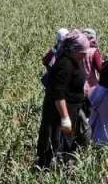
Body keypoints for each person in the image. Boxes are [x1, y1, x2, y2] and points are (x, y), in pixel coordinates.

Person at [35, 31, 90, 169]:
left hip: (71, 110)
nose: (85, 54)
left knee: (66, 144)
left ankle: (59, 169)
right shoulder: (65, 64)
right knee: (55, 145)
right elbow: (58, 94)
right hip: (58, 115)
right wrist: (65, 118)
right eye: (83, 51)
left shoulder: (72, 60)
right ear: (74, 50)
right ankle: (48, 173)